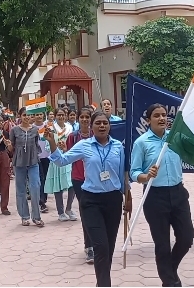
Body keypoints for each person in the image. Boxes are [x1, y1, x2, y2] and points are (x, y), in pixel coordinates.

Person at [46, 111, 132, 287]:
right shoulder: (84, 145)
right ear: (91, 127)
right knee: (100, 246)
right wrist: (52, 142)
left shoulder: (118, 147)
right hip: (91, 201)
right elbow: (62, 161)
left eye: (105, 123)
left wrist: (128, 197)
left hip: (113, 200)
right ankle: (104, 284)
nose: (102, 126)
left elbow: (124, 174)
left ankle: (102, 281)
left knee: (109, 246)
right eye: (98, 123)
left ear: (110, 126)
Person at [131, 104, 194, 287]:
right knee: (163, 244)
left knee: (187, 237)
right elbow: (135, 172)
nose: (161, 118)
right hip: (155, 197)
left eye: (164, 115)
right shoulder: (141, 142)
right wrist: (146, 175)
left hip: (178, 193)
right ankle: (170, 281)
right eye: (156, 115)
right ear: (148, 120)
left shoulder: (175, 138)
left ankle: (170, 269)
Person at [8, 107, 44, 227]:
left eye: (29, 115)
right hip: (19, 163)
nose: (27, 117)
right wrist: (8, 147)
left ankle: (37, 217)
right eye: (24, 115)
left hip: (33, 161)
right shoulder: (14, 130)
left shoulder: (35, 130)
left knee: (35, 187)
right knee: (21, 190)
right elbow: (11, 147)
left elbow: (36, 145)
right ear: (20, 116)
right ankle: (24, 216)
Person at [68, 107, 94, 263]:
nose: (84, 119)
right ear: (78, 119)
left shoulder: (97, 135)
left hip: (95, 179)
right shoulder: (73, 137)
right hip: (79, 179)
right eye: (82, 117)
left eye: (87, 117)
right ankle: (89, 246)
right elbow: (68, 156)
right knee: (86, 212)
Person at [44, 108, 76, 221]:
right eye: (59, 115)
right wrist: (55, 146)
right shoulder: (51, 129)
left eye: (63, 115)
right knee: (58, 187)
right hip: (56, 160)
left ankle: (69, 208)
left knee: (72, 184)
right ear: (55, 116)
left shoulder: (70, 128)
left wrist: (67, 148)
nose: (61, 117)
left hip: (68, 158)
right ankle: (60, 212)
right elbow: (47, 146)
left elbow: (73, 143)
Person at [33, 112, 50, 213]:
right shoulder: (32, 128)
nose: (39, 116)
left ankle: (44, 198)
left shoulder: (48, 127)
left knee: (46, 178)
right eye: (37, 114)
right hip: (36, 157)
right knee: (40, 178)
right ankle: (41, 201)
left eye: (40, 114)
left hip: (47, 156)